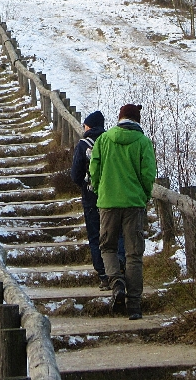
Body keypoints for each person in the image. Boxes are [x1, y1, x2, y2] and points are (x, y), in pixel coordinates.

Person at [89, 103, 157, 320]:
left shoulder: (104, 139)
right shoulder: (143, 142)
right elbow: (148, 174)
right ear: (136, 120)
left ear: (119, 118)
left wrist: (101, 191)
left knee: (107, 247)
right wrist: (144, 196)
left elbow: (94, 170)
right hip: (133, 204)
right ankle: (134, 304)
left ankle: (116, 282)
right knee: (134, 253)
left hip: (108, 202)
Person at [70, 111, 125, 290]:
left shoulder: (83, 145)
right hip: (113, 195)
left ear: (89, 126)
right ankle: (119, 270)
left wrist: (85, 186)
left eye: (86, 124)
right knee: (116, 234)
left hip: (91, 196)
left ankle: (103, 275)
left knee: (96, 236)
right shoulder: (111, 142)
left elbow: (75, 174)